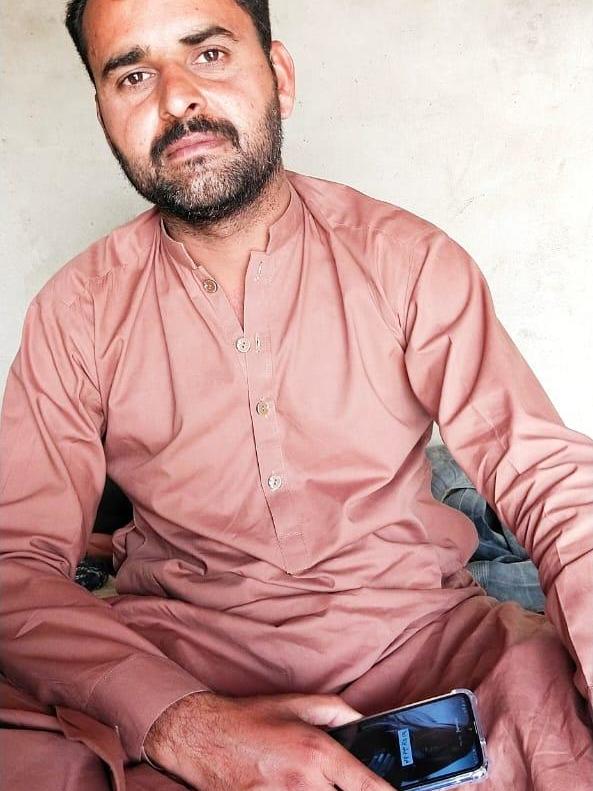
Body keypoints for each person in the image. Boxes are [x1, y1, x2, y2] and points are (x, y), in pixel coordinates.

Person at [1, 1, 592, 789]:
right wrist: (181, 722)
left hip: (425, 641)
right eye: (133, 75)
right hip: (182, 658)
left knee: (554, 726)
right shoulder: (76, 311)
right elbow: (16, 563)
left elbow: (546, 476)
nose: (176, 98)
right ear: (104, 110)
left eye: (209, 55)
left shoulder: (406, 259)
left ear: (278, 75)